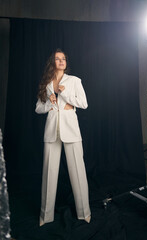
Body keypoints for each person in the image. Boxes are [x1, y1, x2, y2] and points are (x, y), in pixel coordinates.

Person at [35, 49, 91, 226]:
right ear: (52, 62)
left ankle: (84, 213)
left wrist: (64, 94)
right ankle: (45, 216)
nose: (61, 61)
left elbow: (83, 104)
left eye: (63, 59)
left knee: (78, 172)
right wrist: (48, 102)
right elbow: (38, 107)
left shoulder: (74, 81)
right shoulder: (46, 83)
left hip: (71, 131)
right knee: (49, 173)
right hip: (52, 131)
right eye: (57, 59)